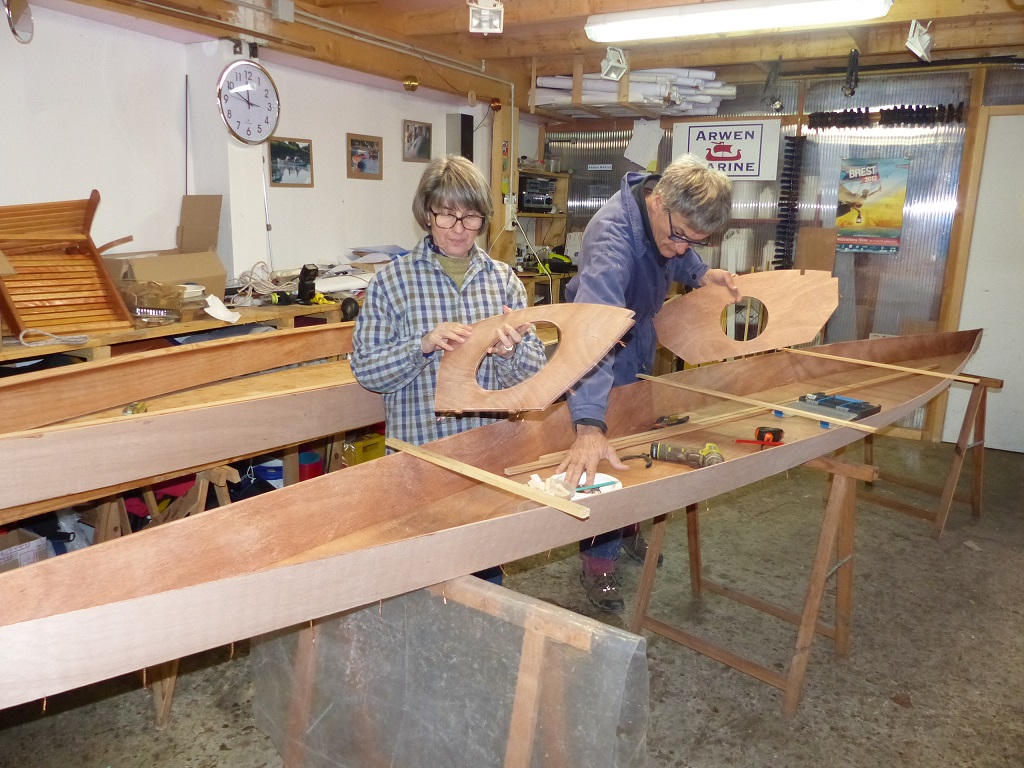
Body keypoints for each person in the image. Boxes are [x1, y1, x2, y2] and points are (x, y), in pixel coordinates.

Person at [556, 154, 741, 611]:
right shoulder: (610, 241)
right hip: (599, 354)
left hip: (637, 343)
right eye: (680, 237)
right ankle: (598, 564)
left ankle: (628, 531)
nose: (681, 248)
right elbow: (594, 336)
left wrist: (700, 273)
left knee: (637, 448)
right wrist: (587, 423)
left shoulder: (665, 221)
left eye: (694, 242)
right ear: (657, 201)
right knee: (603, 455)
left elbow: (674, 258)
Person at [351, 154, 547, 583]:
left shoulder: (504, 282)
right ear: (426, 214)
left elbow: (533, 378)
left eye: (471, 217)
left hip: (487, 453)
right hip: (421, 456)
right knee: (418, 576)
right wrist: (420, 346)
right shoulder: (392, 282)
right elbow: (366, 371)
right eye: (446, 216)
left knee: (483, 573)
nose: (459, 229)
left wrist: (511, 354)